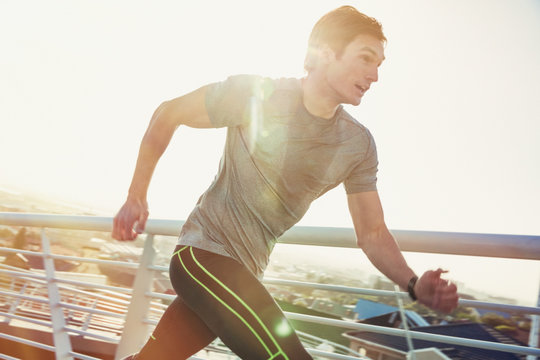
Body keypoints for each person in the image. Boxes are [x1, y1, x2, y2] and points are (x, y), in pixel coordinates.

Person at [112, 5, 459, 360]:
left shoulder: (357, 145)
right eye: (366, 58)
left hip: (245, 275)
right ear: (325, 52)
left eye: (379, 65)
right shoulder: (257, 95)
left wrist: (414, 285)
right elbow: (169, 112)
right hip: (203, 255)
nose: (374, 75)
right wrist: (136, 196)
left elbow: (372, 233)